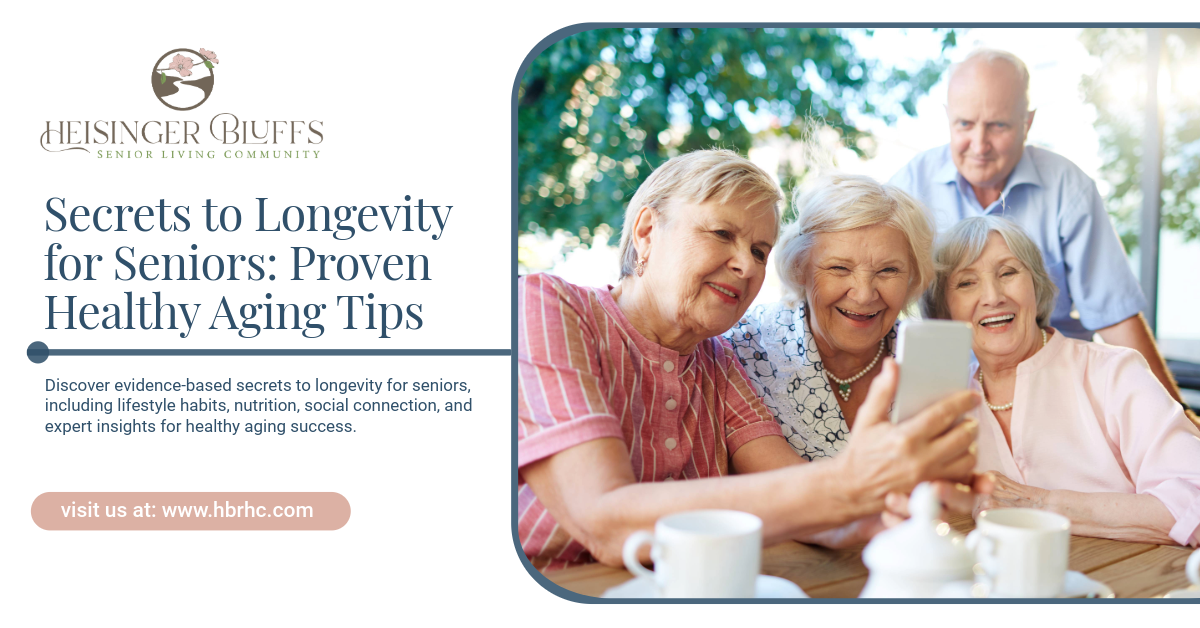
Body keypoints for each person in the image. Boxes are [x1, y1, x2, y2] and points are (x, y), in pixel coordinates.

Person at [518, 149, 983, 571]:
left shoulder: (717, 360)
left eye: (760, 251)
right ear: (646, 232)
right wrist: (845, 483)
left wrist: (871, 521)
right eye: (722, 233)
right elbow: (605, 518)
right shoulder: (547, 306)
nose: (747, 266)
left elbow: (795, 490)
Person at [889, 48, 1194, 420]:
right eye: (965, 124)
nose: (980, 145)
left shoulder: (1069, 187)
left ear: (1027, 123)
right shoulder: (908, 187)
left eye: (998, 126)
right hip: (949, 385)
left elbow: (1116, 317)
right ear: (948, 119)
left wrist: (1176, 416)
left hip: (1056, 384)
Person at [922, 216, 1200, 547]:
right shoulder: (943, 406)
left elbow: (1193, 499)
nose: (993, 296)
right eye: (966, 283)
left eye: (1008, 272)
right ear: (943, 309)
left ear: (1036, 286)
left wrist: (1039, 503)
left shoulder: (1114, 373)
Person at [726, 173, 937, 460]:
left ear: (913, 276)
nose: (864, 294)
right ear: (800, 267)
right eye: (839, 268)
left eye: (888, 270)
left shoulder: (930, 359)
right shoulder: (741, 348)